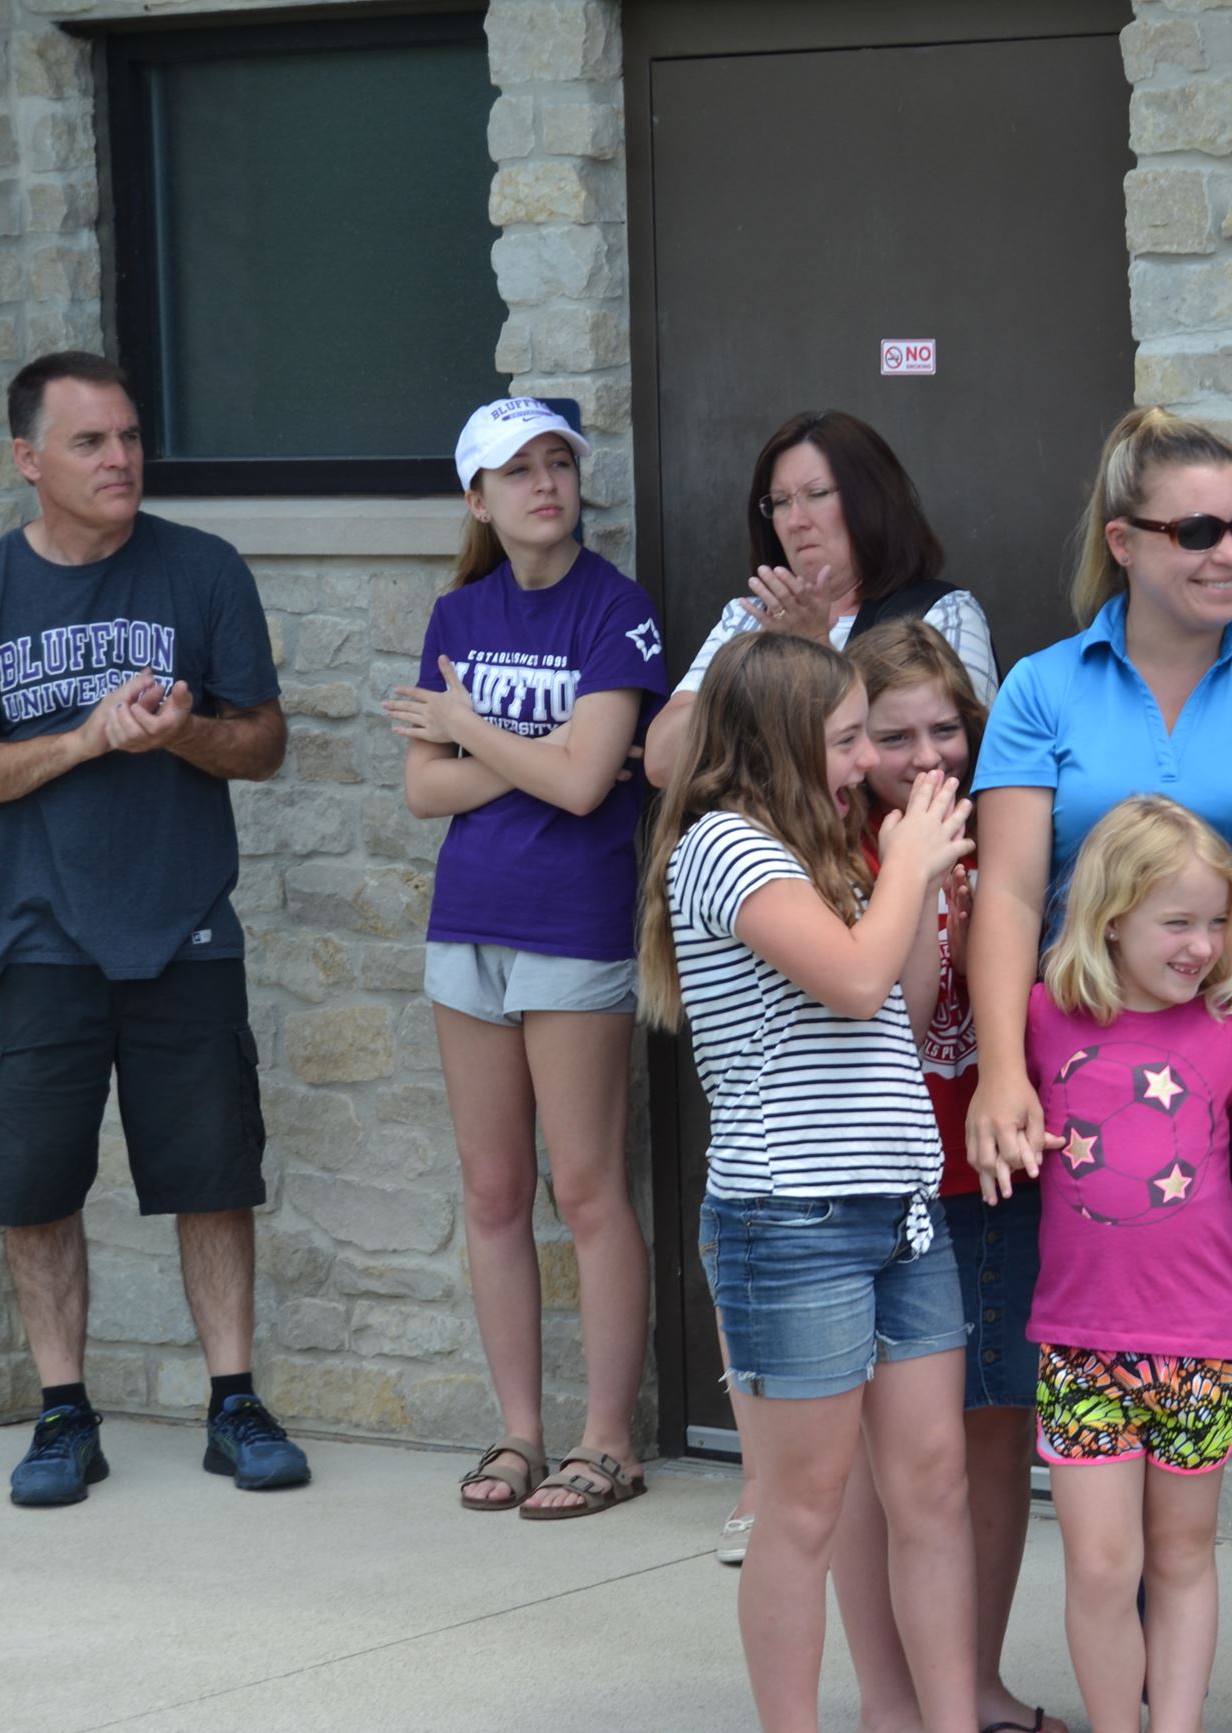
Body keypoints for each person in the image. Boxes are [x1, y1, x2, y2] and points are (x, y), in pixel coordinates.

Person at [966, 407, 1232, 1733]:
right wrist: (998, 1073)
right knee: (1109, 1371)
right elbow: (1010, 893)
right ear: (1126, 541)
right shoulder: (1046, 688)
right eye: (1199, 528)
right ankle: (1145, 1702)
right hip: (1082, 1090)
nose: (1231, 551)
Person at [0, 351, 307, 1506]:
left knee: (212, 1173)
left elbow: (261, 742)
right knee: (34, 1185)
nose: (121, 459)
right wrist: (83, 738)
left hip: (183, 926)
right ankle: (64, 1414)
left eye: (128, 437)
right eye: (89, 442)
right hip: (30, 933)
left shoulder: (203, 570)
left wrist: (178, 736)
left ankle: (234, 1401)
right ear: (28, 460)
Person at [640, 628, 977, 1733]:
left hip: (898, 1214)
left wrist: (917, 888)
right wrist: (916, 862)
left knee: (931, 1484)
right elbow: (849, 977)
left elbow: (905, 1004)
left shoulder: (829, 850)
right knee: (805, 1506)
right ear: (784, 737)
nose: (864, 761)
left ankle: (939, 1717)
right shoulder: (724, 846)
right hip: (790, 1221)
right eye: (844, 738)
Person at [382, 397, 667, 1517]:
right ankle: (517, 1432)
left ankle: (607, 1439)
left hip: (574, 923)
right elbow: (423, 789)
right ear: (477, 497)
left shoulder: (618, 610)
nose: (545, 484)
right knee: (494, 1190)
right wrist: (539, 750)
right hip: (469, 924)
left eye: (559, 463)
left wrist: (477, 729)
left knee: (587, 1186)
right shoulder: (458, 610)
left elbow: (591, 785)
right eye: (517, 470)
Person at [1013, 795, 1232, 1733]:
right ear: (1112, 917)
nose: (1201, 943)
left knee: (1182, 1556)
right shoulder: (1040, 1016)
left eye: (1217, 920)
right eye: (1177, 921)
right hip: (1083, 1341)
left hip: (1203, 1342)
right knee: (1102, 1564)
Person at [823, 616, 1066, 1733]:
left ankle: (969, 1677)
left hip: (1001, 1172)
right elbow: (905, 1009)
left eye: (946, 729)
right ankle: (892, 1698)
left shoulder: (1007, 833)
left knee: (1000, 1424)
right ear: (848, 744)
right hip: (889, 1185)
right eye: (892, 735)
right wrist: (917, 873)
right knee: (892, 1460)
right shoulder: (838, 852)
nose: (926, 759)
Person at [643, 409, 996, 789]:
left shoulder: (943, 613)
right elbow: (663, 760)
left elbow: (960, 759)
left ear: (873, 500)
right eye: (780, 502)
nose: (795, 520)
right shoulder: (746, 617)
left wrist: (814, 651)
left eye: (816, 494)